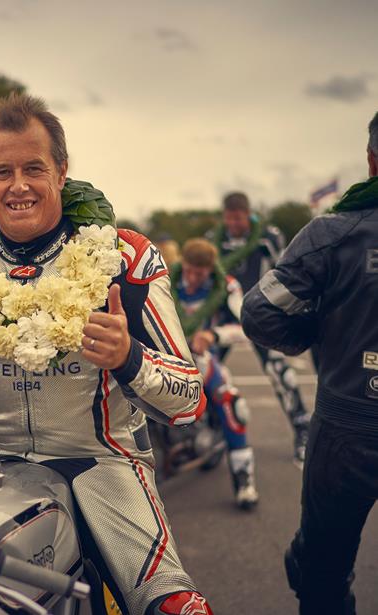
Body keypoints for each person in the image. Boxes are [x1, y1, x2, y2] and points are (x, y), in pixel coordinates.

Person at [0, 93, 213, 615]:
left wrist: (128, 357)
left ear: (62, 171)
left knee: (173, 607)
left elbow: (188, 402)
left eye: (33, 168)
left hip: (103, 464)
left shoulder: (126, 258)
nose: (18, 185)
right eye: (3, 172)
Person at [241, 111, 378, 615]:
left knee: (319, 573)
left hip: (348, 427)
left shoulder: (334, 231)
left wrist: (320, 334)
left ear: (370, 161)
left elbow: (259, 313)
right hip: (347, 424)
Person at [210, 192, 311, 466]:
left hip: (260, 315)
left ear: (248, 213)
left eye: (238, 217)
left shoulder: (267, 237)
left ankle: (303, 430)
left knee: (280, 373)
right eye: (229, 217)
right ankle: (210, 430)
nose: (233, 222)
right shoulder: (214, 239)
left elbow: (285, 271)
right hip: (226, 317)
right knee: (205, 369)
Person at [171, 238, 259, 509]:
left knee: (230, 401)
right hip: (164, 354)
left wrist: (212, 334)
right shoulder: (163, 278)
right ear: (182, 264)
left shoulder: (227, 285)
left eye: (201, 273)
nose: (194, 278)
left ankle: (244, 479)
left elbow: (246, 327)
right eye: (190, 270)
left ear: (211, 269)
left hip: (204, 358)